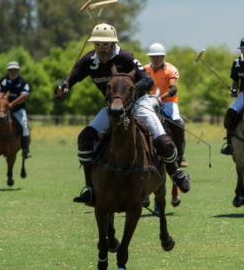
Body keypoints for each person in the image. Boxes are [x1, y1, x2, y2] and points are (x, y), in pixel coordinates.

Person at [54, 23, 190, 206]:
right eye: (98, 45)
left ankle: (175, 173)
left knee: (164, 141)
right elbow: (72, 77)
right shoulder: (88, 60)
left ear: (113, 44)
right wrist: (63, 86)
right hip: (112, 108)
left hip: (138, 103)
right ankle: (90, 187)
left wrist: (132, 90)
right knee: (85, 138)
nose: (101, 49)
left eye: (105, 45)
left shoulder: (125, 58)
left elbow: (147, 81)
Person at [144, 42, 187, 168]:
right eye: (153, 57)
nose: (156, 59)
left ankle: (181, 156)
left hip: (168, 101)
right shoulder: (146, 69)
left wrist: (162, 98)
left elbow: (173, 89)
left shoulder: (171, 70)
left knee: (177, 123)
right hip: (151, 100)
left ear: (163, 57)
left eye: (159, 56)